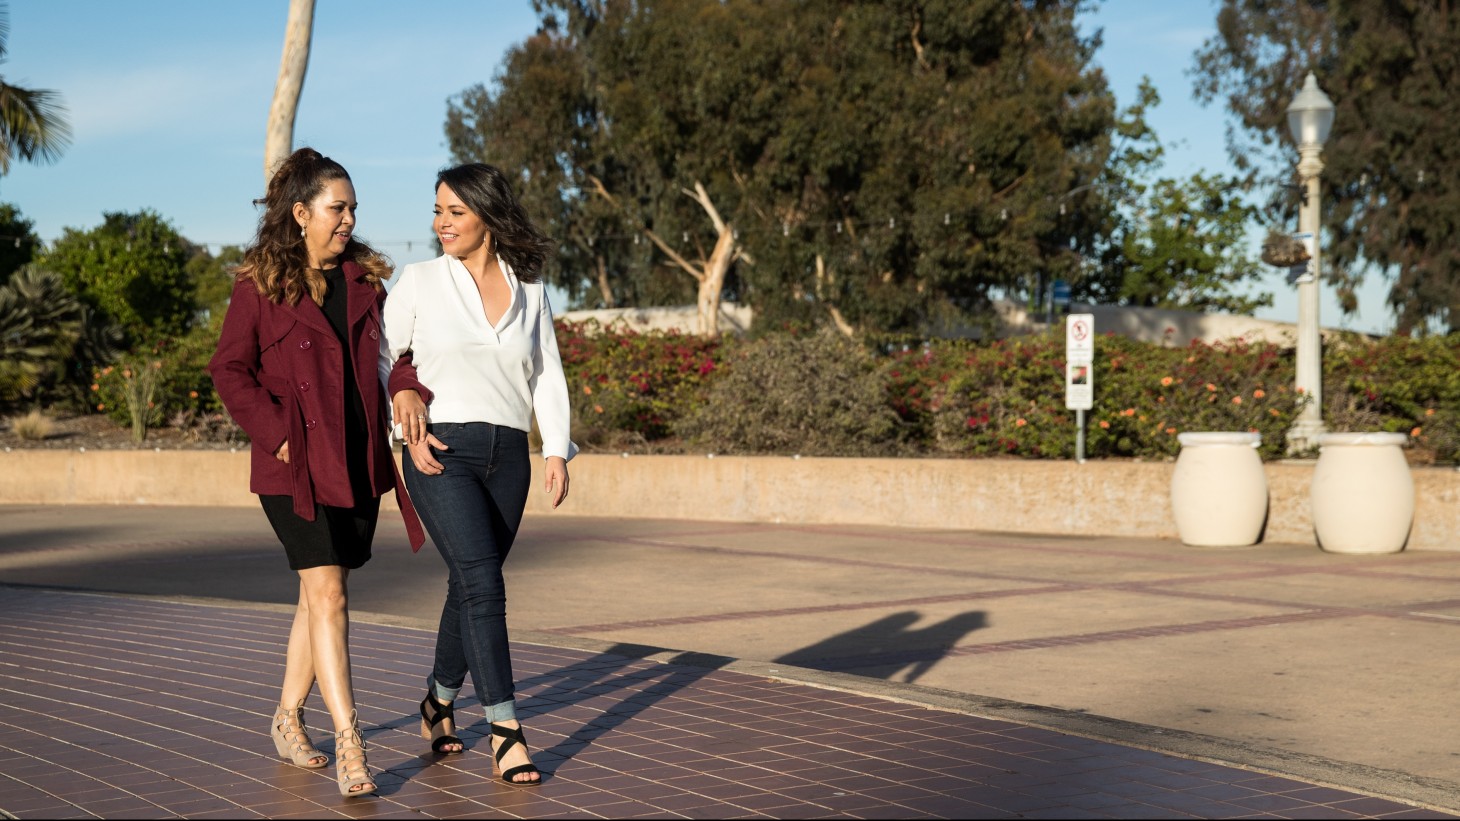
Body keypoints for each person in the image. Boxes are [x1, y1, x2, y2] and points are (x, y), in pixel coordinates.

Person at [209, 147, 424, 798]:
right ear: (301, 214)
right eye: (338, 208)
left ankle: (285, 716)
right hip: (293, 469)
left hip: (356, 464)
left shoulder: (368, 285)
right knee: (329, 594)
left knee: (317, 595)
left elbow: (399, 354)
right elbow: (228, 369)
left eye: (354, 208)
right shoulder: (258, 286)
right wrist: (274, 434)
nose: (350, 219)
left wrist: (408, 388)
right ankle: (352, 742)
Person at [384, 162, 575, 786]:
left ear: (488, 216)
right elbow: (383, 356)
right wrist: (403, 404)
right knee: (482, 583)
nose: (440, 223)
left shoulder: (530, 288)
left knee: (471, 583)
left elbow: (545, 372)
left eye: (454, 212)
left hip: (509, 457)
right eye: (437, 211)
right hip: (439, 449)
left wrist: (555, 449)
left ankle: (438, 701)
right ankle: (505, 730)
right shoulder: (418, 281)